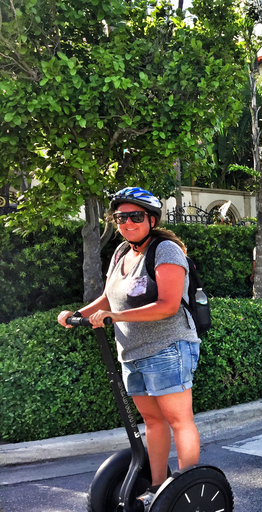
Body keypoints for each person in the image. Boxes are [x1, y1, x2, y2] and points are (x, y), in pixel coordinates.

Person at [57, 187, 201, 506]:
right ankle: (158, 487)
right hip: (131, 353)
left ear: (151, 219)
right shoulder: (122, 251)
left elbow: (168, 305)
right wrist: (78, 314)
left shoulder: (166, 250)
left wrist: (115, 315)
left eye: (135, 216)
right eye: (120, 216)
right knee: (152, 421)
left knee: (179, 420)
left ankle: (187, 490)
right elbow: (109, 298)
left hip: (168, 347)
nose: (127, 222)